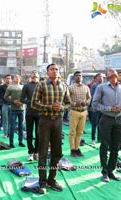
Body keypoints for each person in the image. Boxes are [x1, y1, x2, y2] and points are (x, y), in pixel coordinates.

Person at [31, 63, 71, 194]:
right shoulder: (41, 85)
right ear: (47, 72)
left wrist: (62, 108)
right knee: (42, 153)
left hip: (58, 122)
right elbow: (34, 103)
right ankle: (42, 181)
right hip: (45, 121)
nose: (55, 71)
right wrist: (49, 107)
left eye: (57, 69)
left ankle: (51, 180)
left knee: (57, 152)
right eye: (52, 69)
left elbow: (68, 103)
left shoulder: (64, 86)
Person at [92, 69, 121, 182]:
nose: (112, 75)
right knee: (104, 145)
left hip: (119, 120)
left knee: (116, 146)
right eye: (109, 74)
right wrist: (110, 109)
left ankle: (111, 170)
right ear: (107, 77)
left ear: (117, 75)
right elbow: (95, 104)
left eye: (114, 73)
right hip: (106, 119)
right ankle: (104, 172)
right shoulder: (101, 87)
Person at [68, 71, 91, 157]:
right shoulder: (70, 88)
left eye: (80, 76)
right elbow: (66, 100)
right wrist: (74, 103)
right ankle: (72, 149)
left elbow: (89, 98)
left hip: (83, 112)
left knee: (80, 132)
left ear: (82, 77)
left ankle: (77, 148)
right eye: (76, 76)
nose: (78, 77)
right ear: (74, 78)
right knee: (72, 132)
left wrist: (85, 103)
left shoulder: (86, 88)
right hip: (74, 111)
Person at [20, 70, 40, 161]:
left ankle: (37, 152)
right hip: (29, 113)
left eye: (36, 76)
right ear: (31, 77)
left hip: (40, 113)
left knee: (39, 134)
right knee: (29, 134)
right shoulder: (26, 86)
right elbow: (22, 99)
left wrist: (40, 103)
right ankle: (30, 152)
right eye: (33, 76)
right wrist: (31, 102)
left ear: (38, 77)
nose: (34, 77)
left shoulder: (42, 86)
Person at [4, 74, 25, 148]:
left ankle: (20, 141)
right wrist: (13, 101)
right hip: (13, 109)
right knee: (12, 126)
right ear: (13, 79)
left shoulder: (23, 87)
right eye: (15, 77)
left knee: (21, 126)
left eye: (18, 77)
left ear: (20, 79)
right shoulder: (10, 87)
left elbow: (26, 97)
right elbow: (5, 97)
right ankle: (11, 143)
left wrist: (22, 102)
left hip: (21, 109)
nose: (17, 78)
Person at [90, 73, 104, 145]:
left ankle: (99, 138)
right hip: (95, 109)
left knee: (101, 124)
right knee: (94, 124)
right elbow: (91, 96)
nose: (101, 78)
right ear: (95, 78)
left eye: (101, 77)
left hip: (103, 109)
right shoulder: (94, 86)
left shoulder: (105, 85)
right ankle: (93, 138)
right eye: (99, 77)